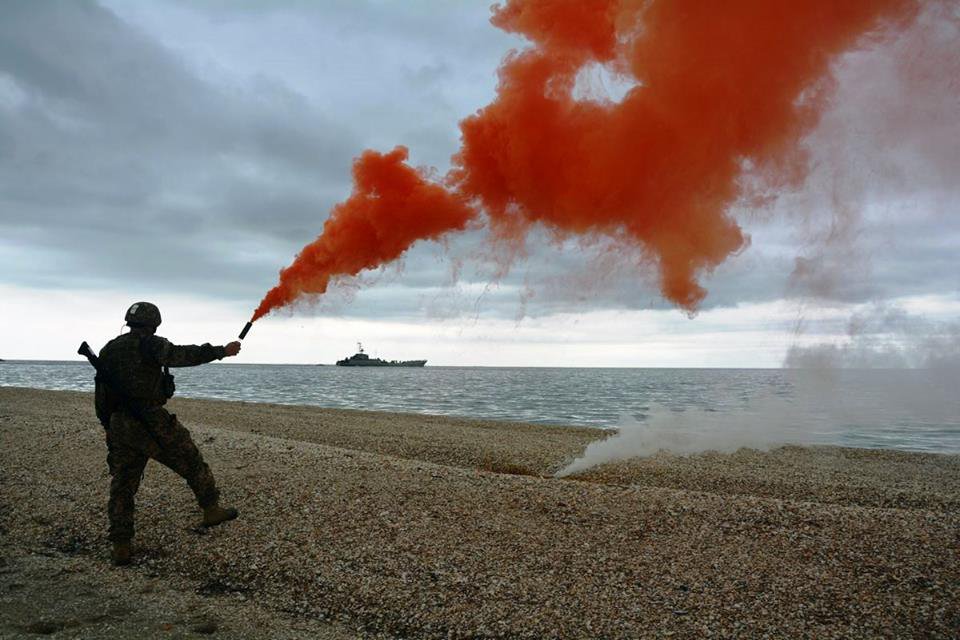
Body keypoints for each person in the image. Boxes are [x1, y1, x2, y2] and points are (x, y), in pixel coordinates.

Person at [94, 301, 241, 566]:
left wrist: (109, 425)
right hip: (152, 421)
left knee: (123, 485)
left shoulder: (109, 349)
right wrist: (222, 351)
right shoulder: (151, 344)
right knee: (192, 461)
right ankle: (211, 509)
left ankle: (121, 545)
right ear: (154, 323)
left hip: (120, 424)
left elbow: (101, 393)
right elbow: (184, 355)